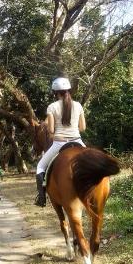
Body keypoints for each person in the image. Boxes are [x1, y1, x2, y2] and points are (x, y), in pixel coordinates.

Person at [35, 77, 86, 207]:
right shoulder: (78, 105)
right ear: (68, 90)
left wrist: (54, 132)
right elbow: (83, 128)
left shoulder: (52, 107)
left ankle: (41, 198)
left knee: (40, 167)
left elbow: (51, 129)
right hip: (78, 141)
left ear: (55, 92)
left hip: (59, 143)